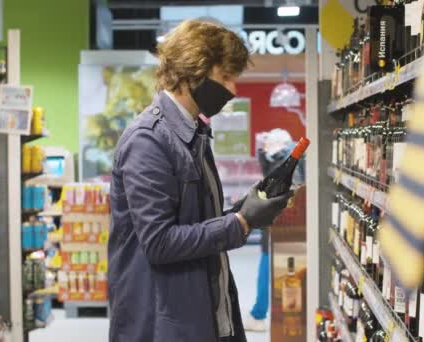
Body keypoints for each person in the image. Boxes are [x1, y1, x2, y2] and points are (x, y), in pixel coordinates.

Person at [108, 20, 292, 342]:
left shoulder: (195, 136)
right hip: (163, 324)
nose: (233, 89)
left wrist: (245, 209)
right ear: (194, 71)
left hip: (200, 311)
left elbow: (195, 224)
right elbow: (160, 242)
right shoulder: (148, 141)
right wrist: (240, 223)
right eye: (224, 77)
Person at [244, 129, 305, 332]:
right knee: (286, 271)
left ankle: (263, 314)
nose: (264, 148)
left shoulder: (282, 160)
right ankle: (282, 315)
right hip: (286, 226)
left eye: (267, 144)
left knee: (280, 270)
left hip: (280, 225)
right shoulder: (287, 158)